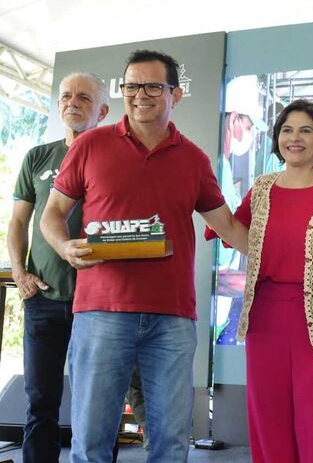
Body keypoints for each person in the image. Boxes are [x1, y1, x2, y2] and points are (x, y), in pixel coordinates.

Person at [40, 49, 247, 463]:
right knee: (91, 442)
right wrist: (64, 247)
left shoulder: (193, 158)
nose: (140, 95)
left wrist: (290, 258)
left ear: (176, 94)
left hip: (172, 318)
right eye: (132, 86)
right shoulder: (90, 145)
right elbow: (52, 215)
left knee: (170, 443)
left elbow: (226, 225)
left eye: (153, 86)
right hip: (100, 312)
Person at [207, 99, 313, 462]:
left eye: (305, 131)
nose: (294, 138)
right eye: (287, 130)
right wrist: (199, 194)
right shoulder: (262, 188)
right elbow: (236, 233)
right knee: (269, 424)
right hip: (265, 320)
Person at [7, 72, 108, 463]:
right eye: (66, 96)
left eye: (83, 97)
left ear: (102, 110)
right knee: (40, 401)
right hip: (43, 298)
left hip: (98, 302)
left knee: (97, 403)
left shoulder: (113, 156)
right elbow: (18, 222)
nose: (72, 103)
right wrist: (20, 273)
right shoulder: (38, 156)